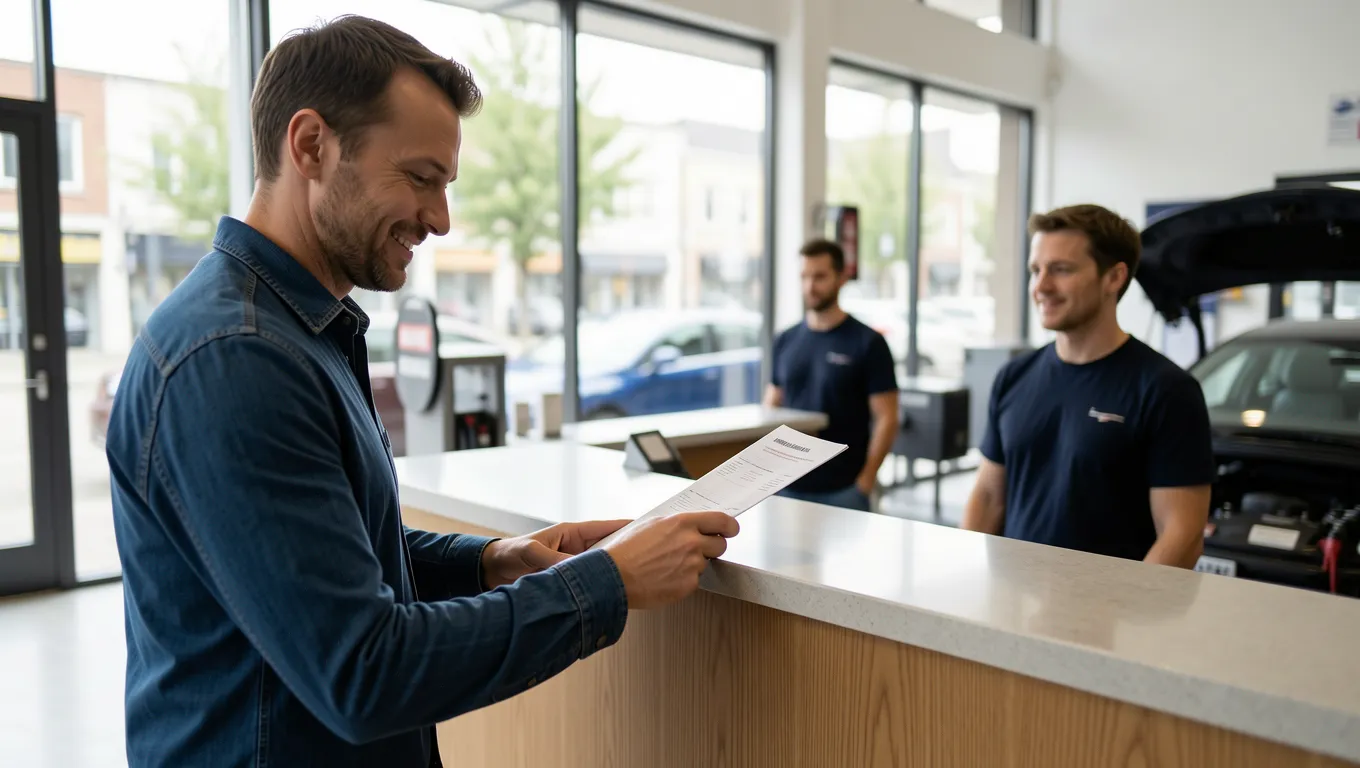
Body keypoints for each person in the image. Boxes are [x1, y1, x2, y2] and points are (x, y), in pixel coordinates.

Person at [105, 16, 738, 767]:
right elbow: (364, 675)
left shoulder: (295, 330)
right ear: (310, 146)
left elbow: (321, 550)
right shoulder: (238, 359)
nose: (439, 219)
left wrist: (491, 562)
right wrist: (604, 585)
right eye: (420, 178)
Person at [961, 204, 1213, 567]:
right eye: (1036, 270)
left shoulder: (1166, 390)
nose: (1042, 286)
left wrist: (1123, 613)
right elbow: (987, 496)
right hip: (1012, 604)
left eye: (1061, 270)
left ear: (1114, 278)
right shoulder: (1014, 377)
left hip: (1109, 616)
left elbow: (1182, 536)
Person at [764, 238, 899, 512]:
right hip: (787, 487)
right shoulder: (786, 340)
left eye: (820, 277)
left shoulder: (867, 343)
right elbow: (771, 404)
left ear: (842, 277)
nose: (810, 287)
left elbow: (887, 417)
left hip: (843, 489)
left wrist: (865, 481)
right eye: (804, 277)